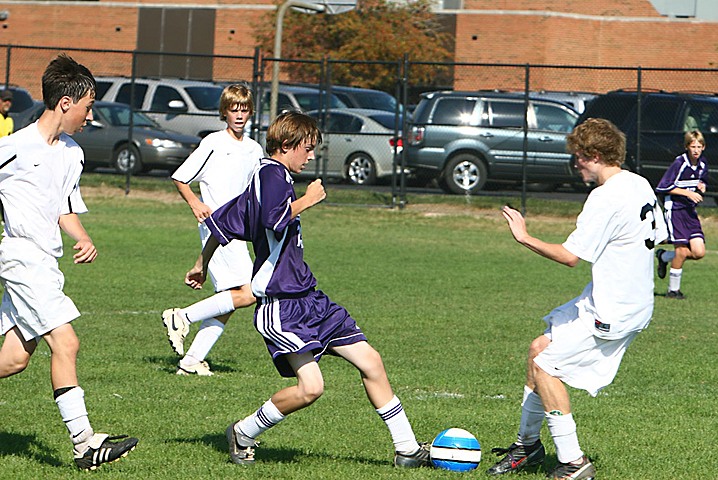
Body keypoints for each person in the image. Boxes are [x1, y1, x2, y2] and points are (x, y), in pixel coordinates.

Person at [196, 111, 429, 468]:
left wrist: (200, 262)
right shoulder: (271, 175)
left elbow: (223, 223)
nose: (310, 156)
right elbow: (275, 219)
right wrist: (308, 199)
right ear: (286, 145)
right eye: (306, 149)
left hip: (310, 299)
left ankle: (408, 450)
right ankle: (243, 431)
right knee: (311, 389)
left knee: (371, 361)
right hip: (281, 305)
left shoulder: (268, 177)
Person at [492, 118, 666, 479]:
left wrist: (524, 236)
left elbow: (571, 257)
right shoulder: (638, 183)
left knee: (546, 368)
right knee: (539, 348)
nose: (575, 164)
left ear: (595, 155)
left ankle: (573, 461)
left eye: (578, 157)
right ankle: (527, 446)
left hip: (613, 309)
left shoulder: (605, 196)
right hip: (625, 300)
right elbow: (660, 235)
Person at [0, 54, 138, 470]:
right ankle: (84, 443)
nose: (90, 114)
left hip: (46, 260)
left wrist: (83, 237)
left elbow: (63, 207)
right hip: (21, 258)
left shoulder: (72, 153)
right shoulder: (13, 148)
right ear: (64, 103)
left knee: (14, 358)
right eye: (88, 105)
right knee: (67, 342)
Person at [162, 84, 263, 376]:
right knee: (250, 292)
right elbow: (180, 178)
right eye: (234, 109)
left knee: (229, 301)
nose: (240, 115)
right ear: (224, 112)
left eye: (244, 109)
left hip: (240, 231)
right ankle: (182, 316)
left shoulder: (254, 149)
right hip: (217, 228)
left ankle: (192, 360)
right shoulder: (213, 143)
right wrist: (195, 204)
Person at [654, 130, 708, 300]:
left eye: (699, 147)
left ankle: (663, 256)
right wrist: (687, 193)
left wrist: (702, 185)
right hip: (675, 210)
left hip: (690, 212)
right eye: (693, 147)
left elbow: (701, 180)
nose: (696, 150)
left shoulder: (702, 164)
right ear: (687, 147)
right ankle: (673, 290)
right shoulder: (679, 163)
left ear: (704, 147)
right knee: (682, 251)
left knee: (699, 252)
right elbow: (663, 187)